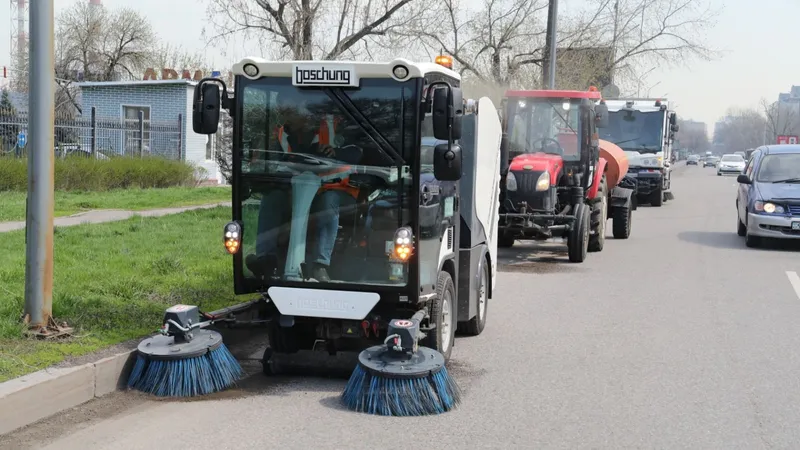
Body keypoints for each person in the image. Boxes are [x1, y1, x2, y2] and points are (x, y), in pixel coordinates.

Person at [245, 102, 359, 282]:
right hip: (296, 189)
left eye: (291, 110)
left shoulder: (334, 124)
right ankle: (266, 259)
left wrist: (335, 152)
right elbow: (271, 161)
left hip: (336, 189)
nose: (286, 116)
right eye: (284, 111)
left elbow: (358, 150)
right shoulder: (282, 135)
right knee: (272, 199)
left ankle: (320, 265)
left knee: (327, 203)